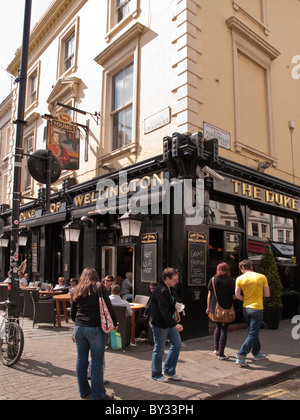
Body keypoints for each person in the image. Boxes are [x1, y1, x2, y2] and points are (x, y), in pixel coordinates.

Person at [71, 267, 118, 400]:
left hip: (79, 327)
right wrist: (115, 321)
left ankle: (84, 391)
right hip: (95, 327)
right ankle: (99, 395)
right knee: (97, 361)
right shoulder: (99, 287)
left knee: (81, 360)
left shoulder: (77, 288)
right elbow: (108, 306)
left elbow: (72, 313)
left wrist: (77, 323)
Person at [150, 268, 183, 382]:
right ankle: (156, 373)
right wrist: (175, 324)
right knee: (159, 348)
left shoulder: (169, 289)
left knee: (177, 344)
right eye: (174, 279)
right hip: (160, 323)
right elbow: (163, 310)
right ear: (167, 278)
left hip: (169, 322)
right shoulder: (161, 290)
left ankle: (169, 370)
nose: (176, 282)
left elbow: (170, 305)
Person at [235, 259, 270, 367]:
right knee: (253, 332)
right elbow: (267, 294)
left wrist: (246, 299)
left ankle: (256, 353)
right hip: (257, 308)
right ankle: (241, 355)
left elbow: (237, 295)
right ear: (251, 266)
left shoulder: (240, 278)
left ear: (243, 268)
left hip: (246, 308)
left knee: (252, 331)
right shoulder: (261, 277)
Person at [206, 262, 236, 360]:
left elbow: (209, 295)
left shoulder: (213, 280)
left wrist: (208, 308)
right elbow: (234, 296)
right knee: (224, 330)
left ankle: (215, 348)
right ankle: (221, 353)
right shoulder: (231, 281)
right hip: (226, 308)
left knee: (217, 327)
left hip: (215, 309)